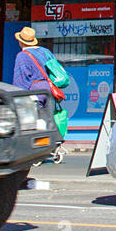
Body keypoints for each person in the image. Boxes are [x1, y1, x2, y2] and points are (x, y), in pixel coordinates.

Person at [11, 27, 68, 166]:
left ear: (21, 42)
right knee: (48, 117)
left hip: (34, 90)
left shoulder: (22, 56)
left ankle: (38, 150)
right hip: (48, 89)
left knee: (34, 120)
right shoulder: (44, 51)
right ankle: (54, 144)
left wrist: (17, 95)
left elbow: (21, 79)